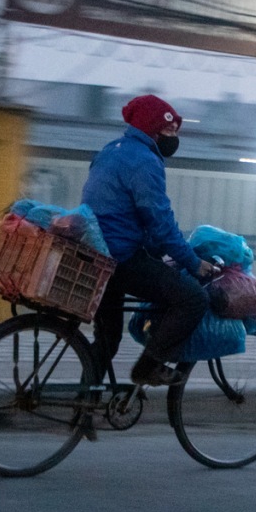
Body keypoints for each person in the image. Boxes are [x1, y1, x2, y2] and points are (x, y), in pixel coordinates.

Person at [82, 94, 217, 387]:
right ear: (152, 129)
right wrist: (192, 262)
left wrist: (157, 251)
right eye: (169, 131)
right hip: (121, 259)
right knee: (193, 298)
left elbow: (127, 215)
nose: (173, 138)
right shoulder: (144, 161)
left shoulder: (110, 150)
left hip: (97, 256)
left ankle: (84, 407)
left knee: (107, 340)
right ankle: (149, 366)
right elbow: (160, 221)